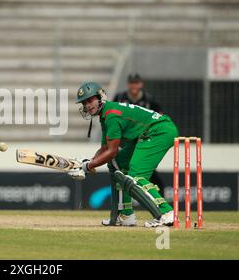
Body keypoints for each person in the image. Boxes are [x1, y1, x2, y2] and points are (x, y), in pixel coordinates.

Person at [69, 82, 178, 227]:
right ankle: (126, 215)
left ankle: (167, 214)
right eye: (84, 103)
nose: (87, 105)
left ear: (100, 98)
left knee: (136, 174)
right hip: (151, 131)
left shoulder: (111, 116)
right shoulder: (106, 115)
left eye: (90, 100)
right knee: (117, 163)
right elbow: (105, 148)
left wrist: (88, 166)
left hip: (158, 131)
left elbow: (111, 151)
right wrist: (87, 162)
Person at [113, 73, 165, 196]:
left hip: (142, 141)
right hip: (125, 141)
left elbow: (159, 118)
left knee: (145, 170)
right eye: (132, 83)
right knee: (123, 169)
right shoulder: (120, 98)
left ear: (141, 84)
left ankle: (159, 201)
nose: (134, 86)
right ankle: (123, 203)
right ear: (128, 84)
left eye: (136, 83)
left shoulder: (149, 100)